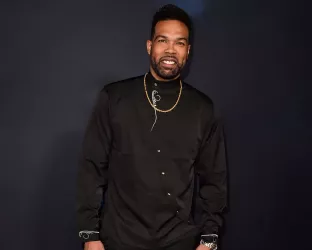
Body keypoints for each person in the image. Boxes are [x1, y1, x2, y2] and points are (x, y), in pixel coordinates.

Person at [76, 4, 227, 250]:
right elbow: (91, 168)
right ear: (149, 46)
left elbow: (214, 181)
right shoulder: (115, 98)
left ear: (188, 51)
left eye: (179, 43)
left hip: (179, 240)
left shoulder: (203, 109)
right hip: (120, 238)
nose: (170, 50)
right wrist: (90, 235)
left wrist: (209, 239)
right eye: (162, 40)